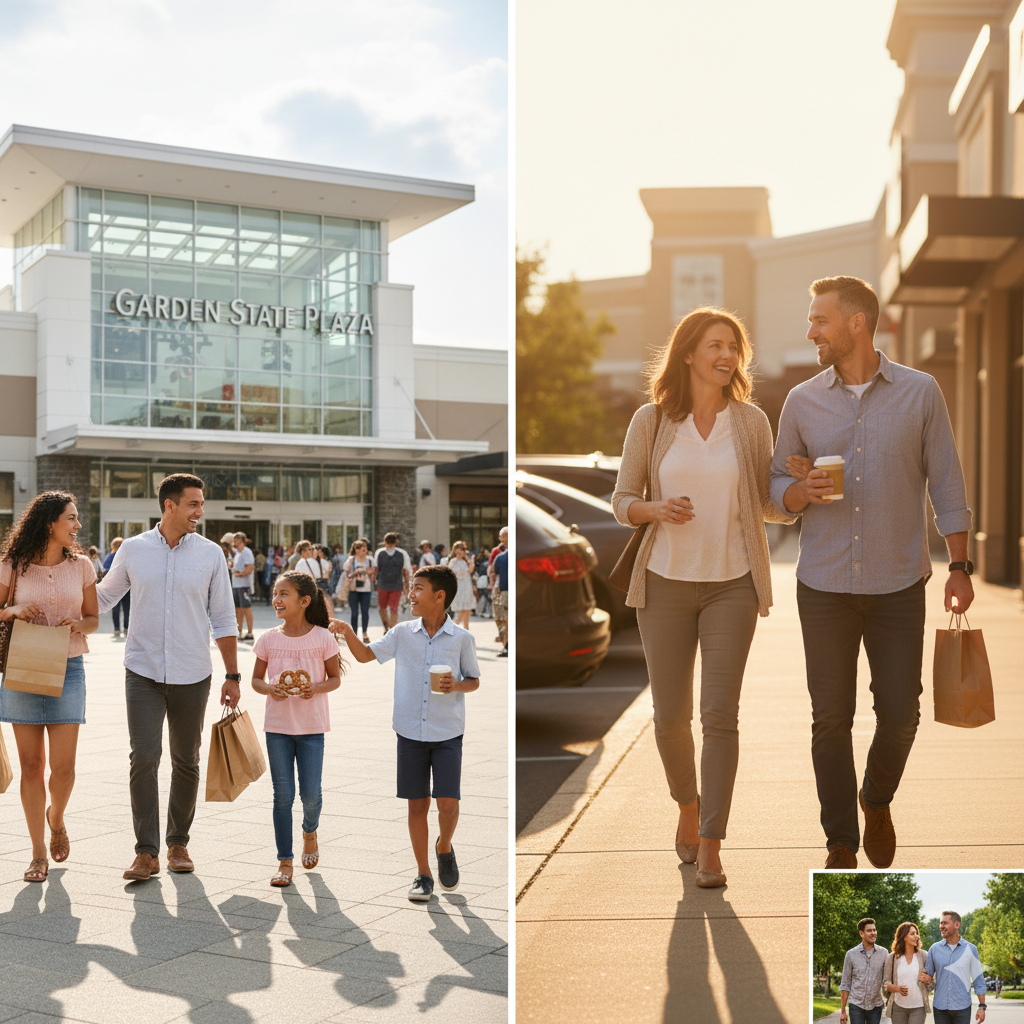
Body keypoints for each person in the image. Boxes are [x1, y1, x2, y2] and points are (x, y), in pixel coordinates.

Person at [769, 277, 973, 870]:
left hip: (899, 584)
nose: (811, 332)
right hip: (825, 584)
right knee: (830, 716)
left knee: (901, 711)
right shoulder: (802, 401)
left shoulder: (920, 392)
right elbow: (777, 485)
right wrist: (799, 491)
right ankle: (839, 839)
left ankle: (875, 799)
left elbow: (948, 482)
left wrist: (959, 565)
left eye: (820, 321)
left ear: (857, 323)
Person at [611, 306, 794, 888]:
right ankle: (687, 805)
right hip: (663, 581)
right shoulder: (653, 419)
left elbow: (766, 505)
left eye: (734, 347)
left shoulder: (752, 422)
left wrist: (798, 492)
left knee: (721, 717)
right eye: (716, 344)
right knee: (670, 719)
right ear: (689, 353)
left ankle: (711, 841)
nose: (727, 355)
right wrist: (656, 509)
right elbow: (621, 501)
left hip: (732, 584)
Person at [96, 473, 240, 881]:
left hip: (193, 672)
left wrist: (233, 673)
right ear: (169, 505)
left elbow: (224, 617)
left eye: (201, 504)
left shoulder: (211, 554)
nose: (200, 511)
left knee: (186, 759)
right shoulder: (134, 549)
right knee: (143, 757)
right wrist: (60, 598)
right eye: (193, 504)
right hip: (142, 670)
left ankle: (178, 843)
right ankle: (146, 852)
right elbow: (104, 596)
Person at [329, 565, 480, 902]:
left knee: (449, 804)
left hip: (447, 732)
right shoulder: (401, 633)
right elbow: (367, 655)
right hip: (410, 731)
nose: (410, 595)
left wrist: (456, 684)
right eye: (411, 588)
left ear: (439, 597)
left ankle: (444, 845)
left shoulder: (462, 639)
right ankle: (424, 874)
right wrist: (346, 631)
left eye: (418, 589)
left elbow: (474, 679)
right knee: (417, 805)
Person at [0, 491, 98, 883]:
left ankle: (56, 817)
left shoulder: (83, 566)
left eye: (76, 519)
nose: (77, 526)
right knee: (31, 766)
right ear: (49, 523)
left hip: (69, 667)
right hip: (23, 668)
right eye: (70, 519)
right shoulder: (13, 564)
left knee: (64, 768)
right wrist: (13, 610)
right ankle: (38, 853)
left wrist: (77, 625)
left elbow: (93, 619)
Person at [251, 571, 343, 888]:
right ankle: (284, 862)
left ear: (304, 601)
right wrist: (269, 689)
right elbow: (256, 680)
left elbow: (335, 678)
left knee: (311, 795)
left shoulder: (322, 637)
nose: (276, 599)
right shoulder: (267, 639)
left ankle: (310, 830)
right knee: (282, 796)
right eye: (275, 593)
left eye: (283, 594)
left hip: (311, 727)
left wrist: (314, 689)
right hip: (277, 727)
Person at [921, 912, 987, 1024]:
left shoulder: (971, 949)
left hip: (962, 1008)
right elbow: (929, 979)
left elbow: (978, 979)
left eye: (945, 923)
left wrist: (982, 1006)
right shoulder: (934, 949)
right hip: (940, 1008)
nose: (941, 926)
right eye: (941, 923)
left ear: (957, 925)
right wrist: (926, 979)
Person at [883, 922, 932, 1024]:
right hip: (898, 1007)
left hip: (918, 1007)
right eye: (912, 934)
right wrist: (897, 988)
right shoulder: (892, 957)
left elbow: (932, 983)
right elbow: (885, 984)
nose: (916, 936)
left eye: (916, 933)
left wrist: (929, 981)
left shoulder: (924, 956)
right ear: (904, 937)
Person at [839, 918, 886, 1024]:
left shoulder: (884, 953)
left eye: (874, 930)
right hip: (856, 1005)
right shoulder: (851, 954)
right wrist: (843, 1011)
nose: (873, 933)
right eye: (869, 930)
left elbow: (887, 979)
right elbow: (845, 984)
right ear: (861, 933)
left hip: (876, 1005)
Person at [374, 532, 411, 634]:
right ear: (384, 542)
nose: (390, 545)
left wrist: (407, 585)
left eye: (392, 543)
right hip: (382, 583)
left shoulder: (402, 554)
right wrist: (374, 581)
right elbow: (376, 568)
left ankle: (391, 630)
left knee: (394, 608)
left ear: (395, 542)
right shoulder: (379, 553)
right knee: (382, 607)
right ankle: (386, 626)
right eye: (388, 543)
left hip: (396, 584)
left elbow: (405, 571)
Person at [344, 538, 375, 643]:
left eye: (365, 548)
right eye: (361, 549)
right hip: (353, 589)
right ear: (356, 550)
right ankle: (355, 634)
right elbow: (347, 575)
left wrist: (368, 571)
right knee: (354, 613)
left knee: (365, 611)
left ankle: (365, 633)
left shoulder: (370, 560)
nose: (364, 551)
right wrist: (356, 572)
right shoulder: (351, 560)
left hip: (366, 589)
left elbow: (373, 573)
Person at [102, 537, 130, 638]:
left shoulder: (110, 556)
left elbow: (105, 569)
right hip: (127, 587)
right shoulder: (127, 556)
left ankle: (117, 629)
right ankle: (126, 629)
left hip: (115, 587)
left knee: (116, 609)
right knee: (126, 609)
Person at [447, 541, 477, 630]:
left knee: (467, 612)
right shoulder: (452, 561)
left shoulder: (466, 561)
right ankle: (450, 630)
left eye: (461, 550)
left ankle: (466, 634)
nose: (460, 552)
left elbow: (470, 571)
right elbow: (449, 573)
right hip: (458, 588)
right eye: (458, 550)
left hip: (467, 587)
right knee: (459, 615)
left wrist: (471, 561)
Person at [231, 532, 255, 642]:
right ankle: (239, 631)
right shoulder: (238, 553)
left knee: (246, 608)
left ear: (243, 541)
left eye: (238, 540)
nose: (236, 542)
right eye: (235, 539)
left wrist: (240, 574)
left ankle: (250, 632)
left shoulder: (246, 552)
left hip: (244, 585)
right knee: (237, 609)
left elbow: (250, 567)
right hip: (236, 585)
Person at [489, 542, 508, 657]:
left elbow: (493, 575)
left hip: (504, 592)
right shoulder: (500, 557)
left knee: (503, 619)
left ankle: (506, 646)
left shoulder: (500, 557)